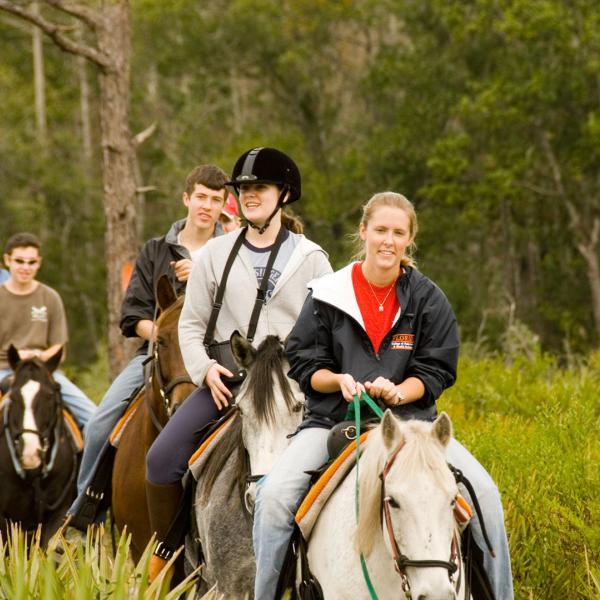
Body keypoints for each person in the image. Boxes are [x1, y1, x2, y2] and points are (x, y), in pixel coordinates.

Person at [254, 192, 514, 600]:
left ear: (409, 239)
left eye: (398, 232)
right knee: (273, 497)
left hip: (414, 428)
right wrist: (338, 380)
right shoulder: (326, 293)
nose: (388, 241)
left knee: (486, 497)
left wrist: (398, 390)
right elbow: (305, 364)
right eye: (380, 230)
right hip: (331, 423)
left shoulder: (429, 299)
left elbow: (435, 370)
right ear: (363, 232)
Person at [144, 147, 332, 580]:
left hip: (292, 385)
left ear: (284, 194)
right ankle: (170, 560)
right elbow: (190, 327)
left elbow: (327, 331)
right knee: (160, 460)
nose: (249, 195)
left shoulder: (313, 259)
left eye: (259, 188)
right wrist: (205, 370)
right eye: (244, 189)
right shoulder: (215, 254)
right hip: (228, 380)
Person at [67, 164, 229, 527]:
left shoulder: (229, 251)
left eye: (215, 200)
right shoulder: (155, 250)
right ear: (186, 199)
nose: (206, 206)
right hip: (158, 354)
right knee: (99, 423)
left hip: (215, 359)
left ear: (223, 207)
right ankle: (84, 513)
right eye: (200, 197)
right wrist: (164, 337)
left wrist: (203, 272)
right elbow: (132, 315)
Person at [0, 233, 96, 432]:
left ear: (38, 263)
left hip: (44, 370)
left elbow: (59, 347)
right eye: (19, 261)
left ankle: (86, 461)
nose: (25, 267)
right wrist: (19, 357)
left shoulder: (50, 297)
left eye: (31, 262)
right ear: (7, 260)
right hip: (4, 370)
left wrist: (39, 357)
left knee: (94, 417)